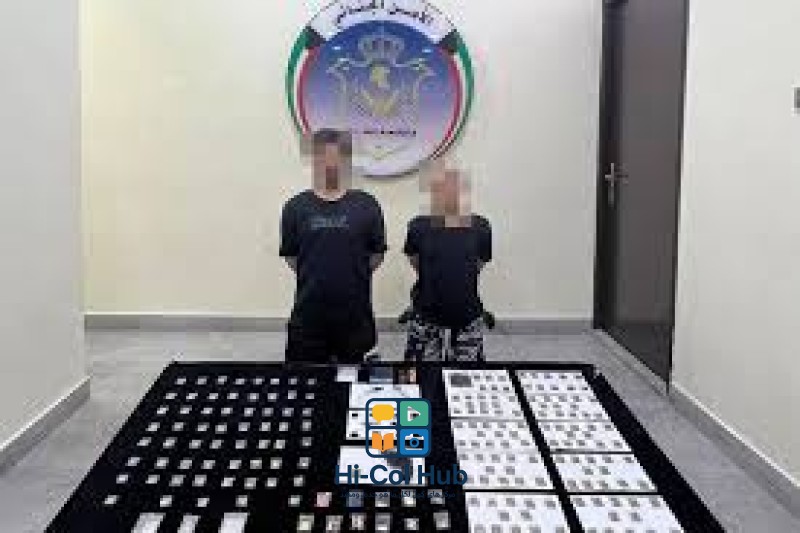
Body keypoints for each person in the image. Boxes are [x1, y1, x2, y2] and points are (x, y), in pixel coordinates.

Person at [280, 129, 387, 363]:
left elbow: (376, 255)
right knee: (305, 383)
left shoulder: (367, 205)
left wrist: (348, 272)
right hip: (308, 320)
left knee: (356, 383)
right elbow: (293, 258)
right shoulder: (294, 208)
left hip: (355, 321)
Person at [403, 162, 492, 361]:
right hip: (426, 311)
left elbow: (477, 265)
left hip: (467, 311)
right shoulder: (418, 227)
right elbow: (415, 261)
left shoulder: (481, 227)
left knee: (468, 376)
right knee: (421, 374)